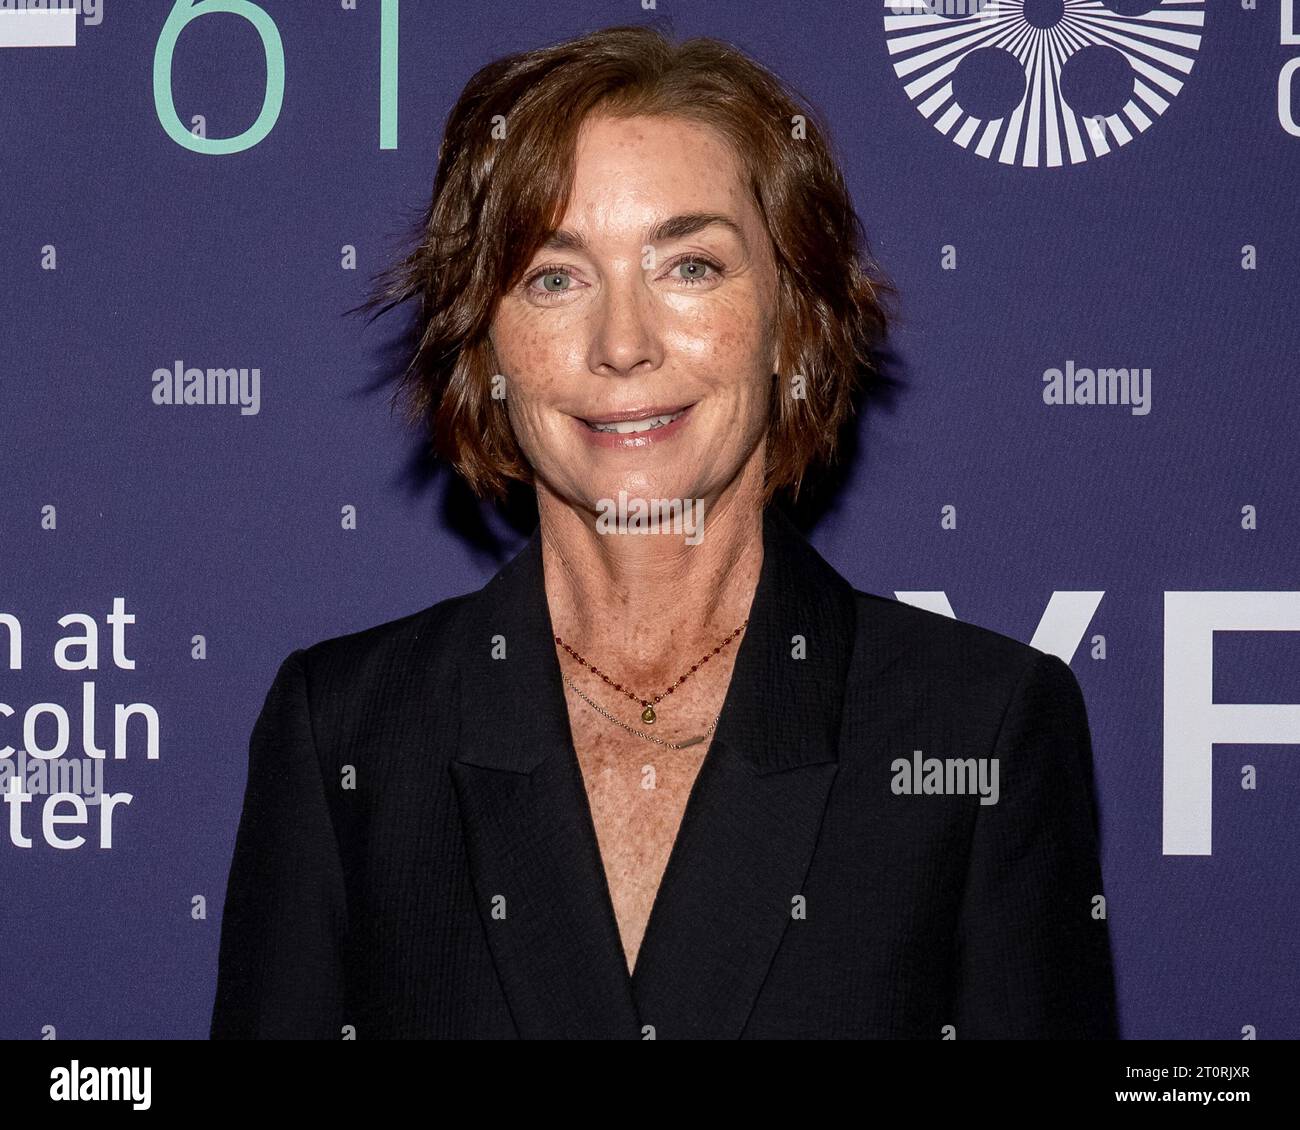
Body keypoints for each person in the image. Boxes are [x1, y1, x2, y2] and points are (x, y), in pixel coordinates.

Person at [209, 23, 1118, 1039]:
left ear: (794, 314)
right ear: (485, 336)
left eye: (689, 266)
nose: (624, 344)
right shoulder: (347, 732)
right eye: (555, 276)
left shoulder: (977, 725)